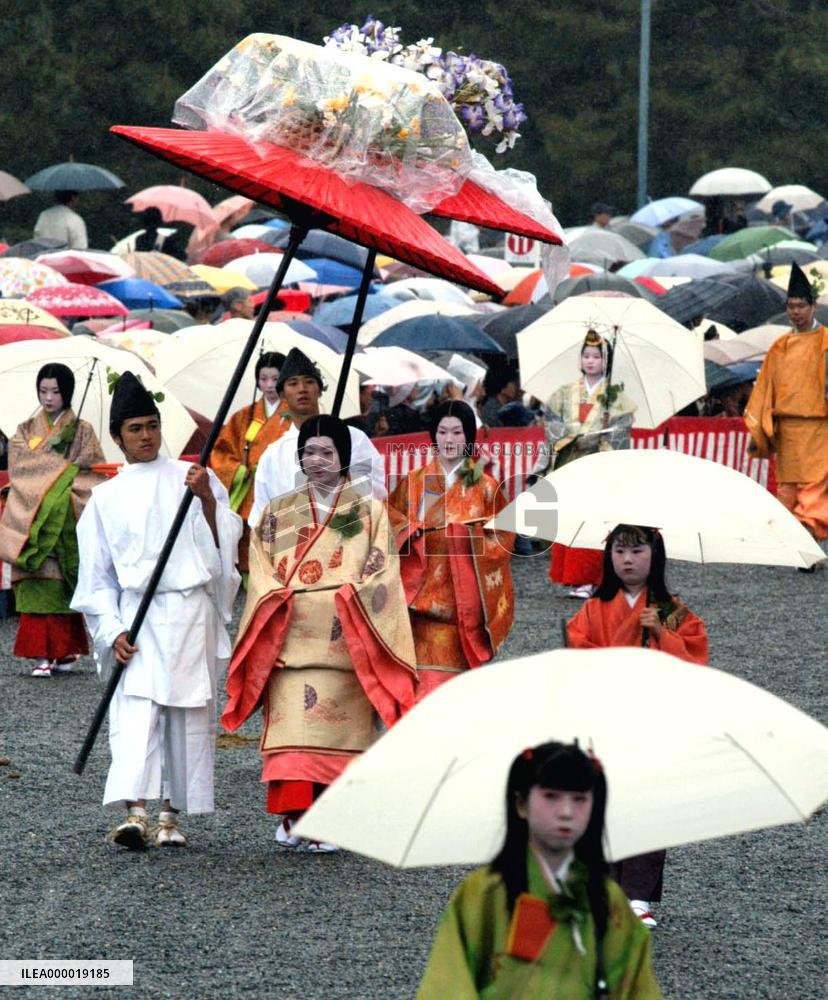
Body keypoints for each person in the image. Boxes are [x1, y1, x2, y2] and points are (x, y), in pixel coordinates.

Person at [222, 414, 416, 849]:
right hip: (289, 636)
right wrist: (276, 599)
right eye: (309, 452)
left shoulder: (366, 512)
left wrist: (353, 597)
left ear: (344, 458)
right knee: (294, 733)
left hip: (344, 636)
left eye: (327, 452)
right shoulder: (280, 512)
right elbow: (263, 570)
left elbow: (380, 569)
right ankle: (295, 817)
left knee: (338, 732)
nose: (316, 460)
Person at [71, 373, 241, 849]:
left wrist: (207, 499)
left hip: (187, 610)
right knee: (135, 711)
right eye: (135, 428)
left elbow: (223, 546)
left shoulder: (192, 479)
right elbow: (96, 578)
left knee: (186, 712)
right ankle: (136, 811)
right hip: (136, 616)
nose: (146, 436)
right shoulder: (104, 498)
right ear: (118, 436)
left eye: (152, 425)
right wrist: (112, 630)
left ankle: (171, 814)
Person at [418, 741, 662, 998]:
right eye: (551, 797)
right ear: (521, 804)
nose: (566, 812)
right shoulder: (481, 896)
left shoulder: (610, 902)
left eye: (579, 799)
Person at [566, 524, 708, 927]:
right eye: (619, 552)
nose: (627, 560)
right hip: (605, 716)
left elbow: (696, 655)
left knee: (648, 803)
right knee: (603, 803)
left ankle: (638, 896)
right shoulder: (595, 607)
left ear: (655, 555)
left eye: (637, 551)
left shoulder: (668, 606)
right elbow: (576, 650)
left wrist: (661, 632)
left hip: (652, 719)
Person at [388, 400, 515, 700]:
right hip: (420, 604)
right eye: (442, 432)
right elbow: (390, 521)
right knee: (421, 694)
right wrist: (408, 533)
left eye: (457, 432)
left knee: (460, 695)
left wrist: (468, 537)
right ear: (433, 435)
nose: (449, 439)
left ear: (468, 436)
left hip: (464, 605)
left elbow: (503, 535)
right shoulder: (416, 481)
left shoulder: (484, 485)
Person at [0, 364, 105, 676]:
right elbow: (20, 467)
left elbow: (92, 470)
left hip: (64, 519)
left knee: (60, 589)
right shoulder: (24, 430)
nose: (48, 398)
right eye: (43, 391)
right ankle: (40, 655)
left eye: (55, 391)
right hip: (32, 517)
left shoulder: (82, 430)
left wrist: (64, 479)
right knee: (37, 588)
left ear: (67, 393)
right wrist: (58, 471)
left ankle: (62, 652)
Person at [531, 330, 636, 599]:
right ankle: (576, 579)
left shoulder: (616, 398)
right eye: (586, 356)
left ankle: (595, 578)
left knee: (596, 524)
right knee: (572, 523)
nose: (590, 361)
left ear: (605, 360)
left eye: (596, 356)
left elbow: (620, 434)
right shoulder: (564, 394)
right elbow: (552, 426)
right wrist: (573, 437)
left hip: (600, 470)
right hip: (570, 463)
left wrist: (601, 435)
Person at [249, 347, 386, 527]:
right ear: (282, 394)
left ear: (320, 390)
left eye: (309, 382)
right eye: (293, 383)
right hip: (292, 547)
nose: (302, 389)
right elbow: (262, 517)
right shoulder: (273, 455)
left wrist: (341, 484)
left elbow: (375, 492)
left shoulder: (353, 438)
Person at [744, 262, 828, 555]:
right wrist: (760, 428)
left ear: (813, 306)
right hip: (788, 432)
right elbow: (765, 389)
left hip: (818, 430)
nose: (795, 311)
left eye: (801, 305)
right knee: (786, 493)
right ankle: (795, 547)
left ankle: (807, 549)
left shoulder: (826, 343)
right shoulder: (779, 346)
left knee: (814, 492)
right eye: (791, 306)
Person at [209, 351, 289, 572]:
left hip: (280, 489)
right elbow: (221, 452)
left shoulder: (293, 415)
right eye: (263, 379)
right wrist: (238, 470)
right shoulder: (244, 416)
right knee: (248, 542)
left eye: (275, 379)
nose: (269, 385)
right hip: (249, 490)